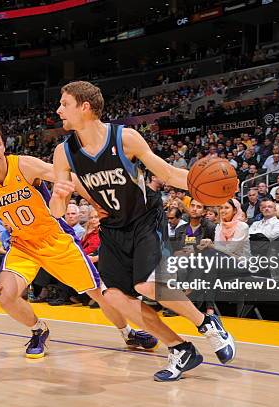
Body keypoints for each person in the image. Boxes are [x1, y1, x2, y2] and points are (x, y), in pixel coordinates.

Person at [50, 81, 235, 382]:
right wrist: (59, 196)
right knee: (115, 298)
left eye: (64, 103)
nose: (59, 110)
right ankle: (180, 348)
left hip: (144, 218)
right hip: (112, 227)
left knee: (147, 286)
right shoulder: (63, 153)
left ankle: (207, 324)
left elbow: (167, 173)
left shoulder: (125, 137)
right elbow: (57, 212)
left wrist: (214, 190)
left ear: (84, 107)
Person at [0, 120, 157, 360]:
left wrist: (103, 197)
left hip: (55, 240)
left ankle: (128, 332)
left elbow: (68, 178)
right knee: (5, 295)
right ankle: (38, 330)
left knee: (100, 293)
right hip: (23, 245)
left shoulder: (25, 165)